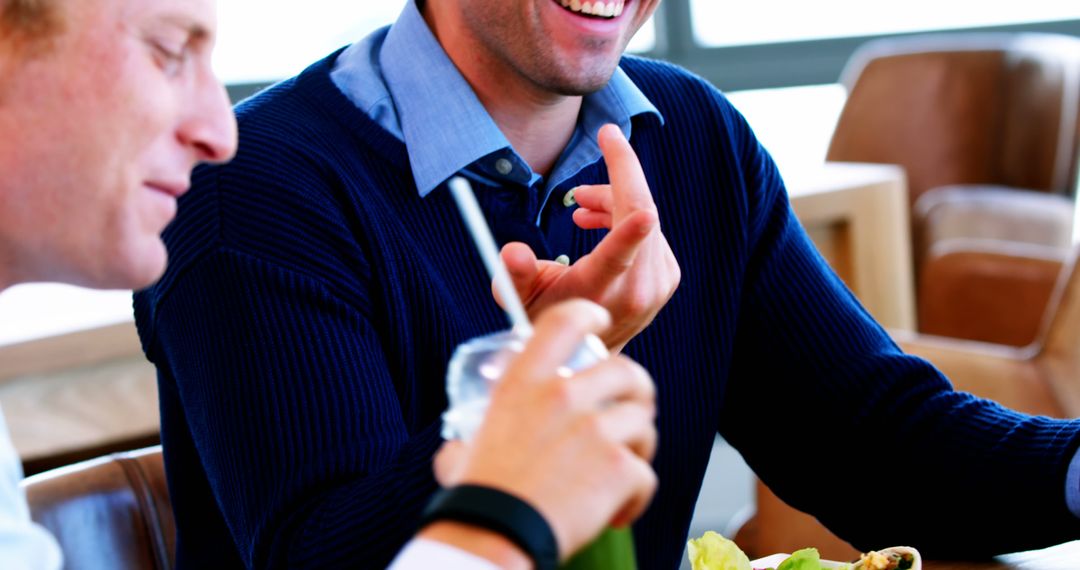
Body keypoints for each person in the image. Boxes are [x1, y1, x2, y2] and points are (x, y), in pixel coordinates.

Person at [132, 0, 1080, 569]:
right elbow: (329, 557)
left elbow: (871, 440)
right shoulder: (249, 191)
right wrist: (538, 378)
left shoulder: (695, 136)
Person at [0, 0, 659, 568]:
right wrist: (505, 493)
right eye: (169, 53)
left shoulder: (688, 129)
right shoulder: (260, 187)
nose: (219, 132)